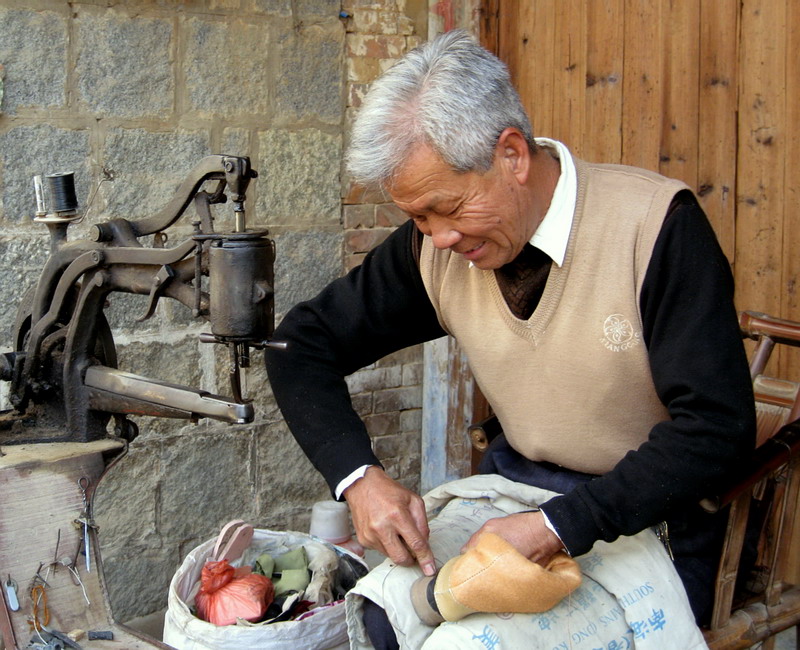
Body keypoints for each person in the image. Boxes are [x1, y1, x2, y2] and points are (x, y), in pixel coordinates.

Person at [265, 29, 755, 641]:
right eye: (417, 217)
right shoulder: (435, 246)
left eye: (447, 207)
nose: (437, 236)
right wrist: (359, 479)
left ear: (513, 155)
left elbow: (718, 430)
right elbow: (298, 346)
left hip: (651, 524)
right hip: (509, 494)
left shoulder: (654, 229)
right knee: (376, 616)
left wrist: (557, 526)